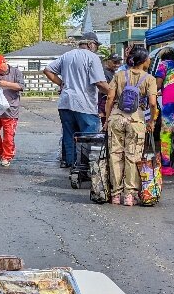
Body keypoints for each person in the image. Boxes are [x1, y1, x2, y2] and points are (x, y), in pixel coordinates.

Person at [43, 32, 110, 168]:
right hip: (84, 104)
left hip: (66, 103)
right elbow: (100, 83)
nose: (96, 48)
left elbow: (47, 70)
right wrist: (115, 93)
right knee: (88, 137)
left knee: (69, 134)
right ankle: (84, 167)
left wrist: (61, 83)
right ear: (91, 44)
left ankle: (71, 165)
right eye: (96, 45)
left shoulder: (67, 55)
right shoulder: (92, 57)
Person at [104, 46, 158, 206]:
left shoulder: (119, 75)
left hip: (116, 118)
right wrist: (152, 121)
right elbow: (153, 103)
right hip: (136, 120)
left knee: (115, 155)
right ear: (143, 60)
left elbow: (110, 98)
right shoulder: (149, 79)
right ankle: (129, 195)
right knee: (132, 156)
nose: (150, 61)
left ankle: (115, 194)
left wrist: (107, 119)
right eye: (148, 58)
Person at [154, 47, 174, 176]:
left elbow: (158, 84)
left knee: (166, 133)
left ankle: (166, 167)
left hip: (171, 102)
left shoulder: (163, 65)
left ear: (162, 57)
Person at [99, 53, 123, 126]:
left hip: (112, 101)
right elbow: (106, 90)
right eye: (115, 62)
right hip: (105, 102)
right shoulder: (104, 73)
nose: (117, 65)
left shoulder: (114, 73)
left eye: (119, 62)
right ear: (108, 61)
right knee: (107, 125)